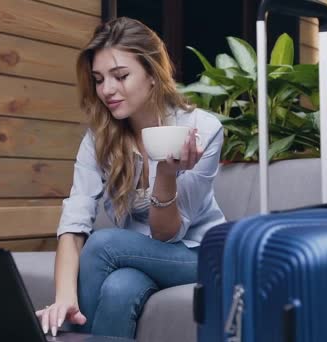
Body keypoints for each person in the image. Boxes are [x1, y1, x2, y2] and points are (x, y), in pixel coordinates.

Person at [35, 17, 226, 339]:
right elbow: (75, 219)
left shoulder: (202, 130)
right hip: (138, 255)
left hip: (198, 255)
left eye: (120, 76)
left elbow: (168, 235)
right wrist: (64, 297)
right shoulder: (100, 138)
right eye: (98, 79)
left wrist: (165, 172)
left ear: (152, 74)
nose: (107, 90)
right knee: (120, 287)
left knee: (105, 242)